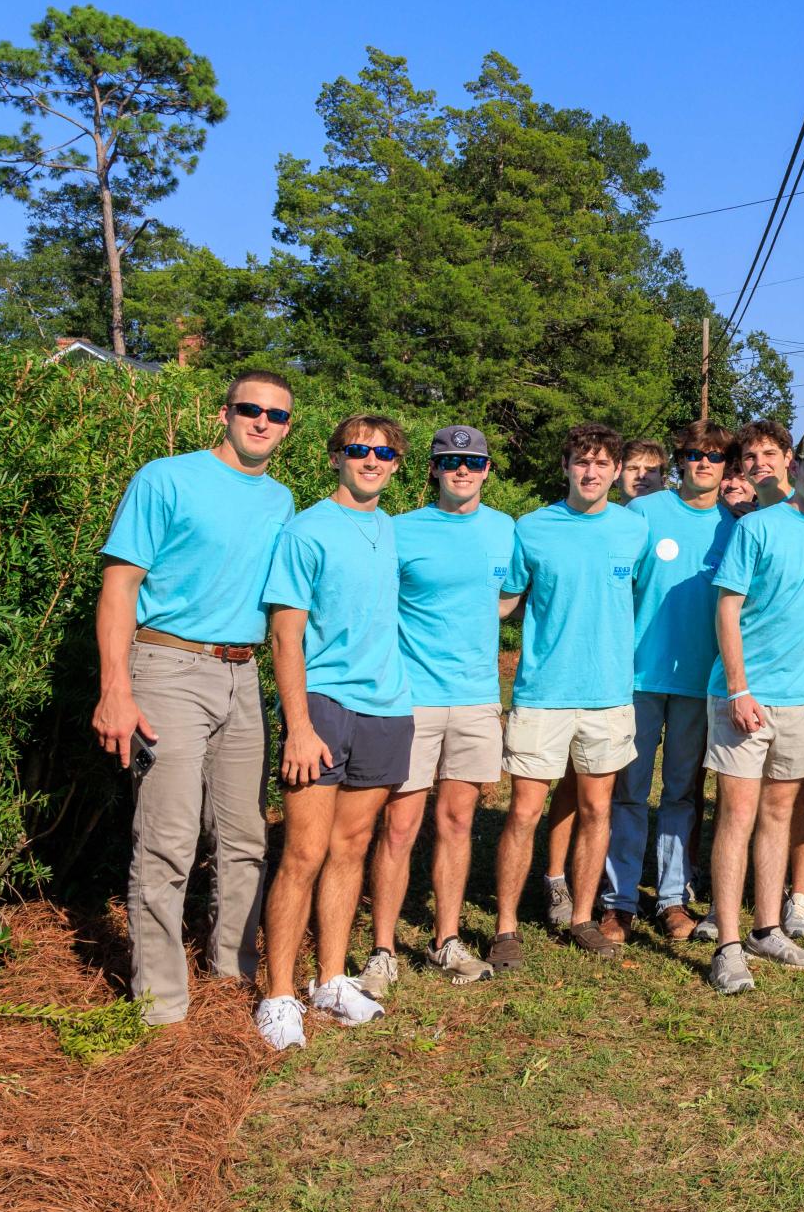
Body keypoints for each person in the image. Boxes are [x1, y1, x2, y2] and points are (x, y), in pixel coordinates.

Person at [94, 370, 296, 1029]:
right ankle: (161, 1009)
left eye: (276, 415)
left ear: (288, 428)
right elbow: (120, 585)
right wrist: (114, 688)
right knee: (167, 841)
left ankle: (231, 978)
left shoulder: (281, 501)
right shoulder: (166, 478)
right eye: (249, 409)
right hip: (167, 666)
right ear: (224, 414)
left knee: (243, 840)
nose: (262, 422)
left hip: (243, 675)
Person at [254, 415, 415, 1049]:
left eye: (383, 453)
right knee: (303, 853)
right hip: (322, 705)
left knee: (351, 849)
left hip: (387, 706)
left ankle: (329, 979)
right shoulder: (308, 530)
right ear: (335, 458)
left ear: (397, 464)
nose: (371, 460)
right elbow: (285, 633)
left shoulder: (389, 530)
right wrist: (297, 725)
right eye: (358, 450)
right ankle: (278, 994)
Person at [705, 428, 804, 995]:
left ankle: (765, 928)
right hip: (745, 696)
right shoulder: (756, 527)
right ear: (795, 468)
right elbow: (728, 607)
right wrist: (739, 688)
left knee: (780, 813)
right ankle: (726, 945)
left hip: (803, 702)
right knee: (737, 815)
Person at [361, 427, 513, 997]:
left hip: (476, 699)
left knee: (457, 822)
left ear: (487, 468)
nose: (462, 469)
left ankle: (446, 940)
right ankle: (382, 950)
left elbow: (507, 596)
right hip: (413, 699)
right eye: (450, 461)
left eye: (472, 460)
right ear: (432, 469)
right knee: (400, 826)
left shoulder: (506, 530)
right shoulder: (399, 531)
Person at [491, 424, 649, 970]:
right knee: (524, 811)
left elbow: (647, 600)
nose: (591, 472)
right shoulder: (530, 528)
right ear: (566, 467)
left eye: (602, 464)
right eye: (582, 462)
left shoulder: (634, 530)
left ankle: (582, 917)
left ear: (615, 470)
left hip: (608, 694)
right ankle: (506, 926)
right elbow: (504, 602)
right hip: (542, 693)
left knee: (596, 808)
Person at [598, 421, 737, 945]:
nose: (703, 463)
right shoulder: (643, 514)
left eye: (714, 455)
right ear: (678, 461)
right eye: (693, 454)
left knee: (680, 793)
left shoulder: (736, 525)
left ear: (728, 464)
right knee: (630, 791)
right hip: (637, 675)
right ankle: (620, 901)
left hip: (701, 681)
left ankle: (674, 899)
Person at [734, 418, 794, 510]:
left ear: (787, 457)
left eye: (769, 454)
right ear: (741, 465)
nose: (759, 463)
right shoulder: (746, 518)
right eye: (750, 457)